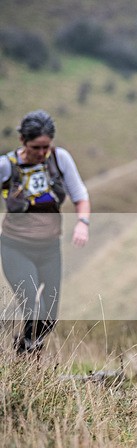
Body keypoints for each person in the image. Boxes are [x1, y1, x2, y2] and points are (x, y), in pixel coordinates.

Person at [0, 110, 91, 355]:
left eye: (46, 147)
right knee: (33, 307)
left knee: (49, 318)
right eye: (36, 147)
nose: (41, 153)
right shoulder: (6, 166)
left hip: (50, 249)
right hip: (15, 247)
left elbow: (80, 195)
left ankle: (23, 350)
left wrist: (83, 223)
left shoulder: (59, 159)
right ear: (22, 141)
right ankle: (27, 363)